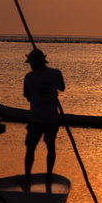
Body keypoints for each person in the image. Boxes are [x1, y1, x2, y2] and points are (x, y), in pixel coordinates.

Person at [23, 48, 65, 182]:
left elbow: (27, 97)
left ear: (33, 64)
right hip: (52, 119)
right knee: (51, 147)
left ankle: (28, 177)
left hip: (35, 119)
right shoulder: (56, 73)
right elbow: (62, 87)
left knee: (30, 149)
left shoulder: (29, 77)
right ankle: (48, 175)